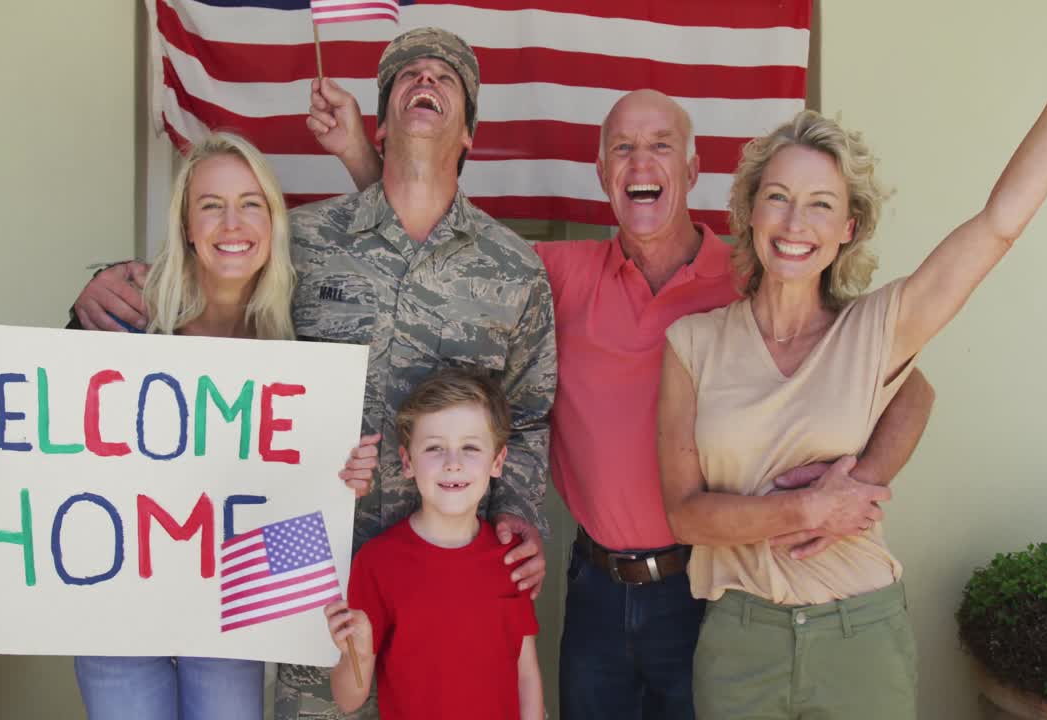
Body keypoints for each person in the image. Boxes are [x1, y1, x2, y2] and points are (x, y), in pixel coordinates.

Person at [306, 81, 935, 717]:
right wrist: (361, 156)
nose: (641, 163)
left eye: (661, 146)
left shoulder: (752, 276)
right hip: (596, 586)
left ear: (692, 170)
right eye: (623, 149)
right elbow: (442, 244)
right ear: (602, 172)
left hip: (706, 583)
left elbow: (911, 390)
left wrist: (856, 485)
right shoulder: (555, 271)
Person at [68, 27, 557, 718]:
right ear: (381, 125)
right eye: (407, 77)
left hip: (452, 583)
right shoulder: (301, 241)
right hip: (317, 576)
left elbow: (530, 413)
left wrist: (522, 516)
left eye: (444, 79)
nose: (425, 81)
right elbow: (209, 306)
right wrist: (104, 290)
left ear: (471, 131)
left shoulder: (515, 270)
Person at [657, 3, 1047, 718]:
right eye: (778, 198)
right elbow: (686, 515)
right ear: (750, 210)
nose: (795, 223)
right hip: (739, 638)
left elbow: (999, 222)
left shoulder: (878, 329)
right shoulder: (691, 344)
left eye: (821, 205)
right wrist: (810, 506)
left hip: (860, 633)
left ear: (847, 229)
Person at [0, 132, 321, 719]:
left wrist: (337, 475)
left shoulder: (296, 338)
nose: (231, 222)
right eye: (210, 204)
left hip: (226, 607)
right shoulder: (121, 313)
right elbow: (23, 432)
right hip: (114, 609)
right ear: (186, 224)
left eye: (250, 203)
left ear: (272, 221)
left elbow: (298, 493)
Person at [323, 368, 544, 719]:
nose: (453, 464)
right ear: (408, 461)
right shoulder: (378, 562)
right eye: (434, 448)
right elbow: (348, 699)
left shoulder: (510, 557)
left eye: (470, 447)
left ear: (498, 461)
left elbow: (526, 673)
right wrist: (358, 655)